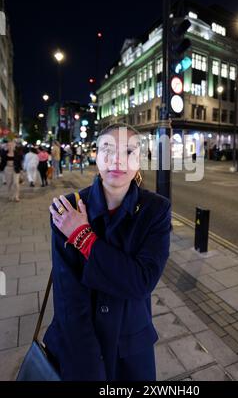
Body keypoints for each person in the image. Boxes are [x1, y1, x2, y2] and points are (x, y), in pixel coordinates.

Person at [43, 122, 172, 381]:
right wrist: (87, 368)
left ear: (140, 159)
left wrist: (83, 237)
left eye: (129, 152)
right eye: (107, 149)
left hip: (131, 348)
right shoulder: (68, 208)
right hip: (78, 346)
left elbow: (141, 282)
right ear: (96, 154)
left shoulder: (155, 210)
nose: (117, 160)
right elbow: (68, 297)